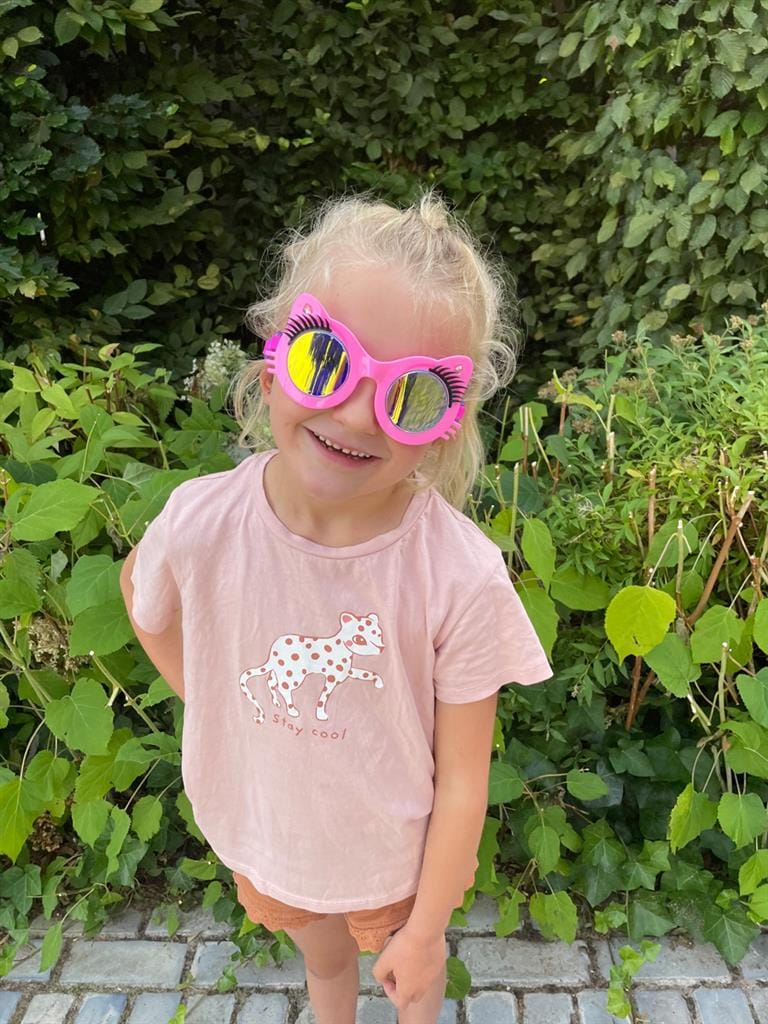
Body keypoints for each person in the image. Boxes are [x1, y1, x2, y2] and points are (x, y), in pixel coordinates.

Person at [119, 189, 552, 1024]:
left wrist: (427, 933)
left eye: (411, 396)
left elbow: (465, 781)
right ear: (273, 358)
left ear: (445, 425)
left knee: (412, 978)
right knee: (323, 961)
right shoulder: (204, 520)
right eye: (327, 361)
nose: (355, 414)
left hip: (395, 865)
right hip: (270, 835)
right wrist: (217, 706)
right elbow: (143, 596)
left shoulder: (456, 574)